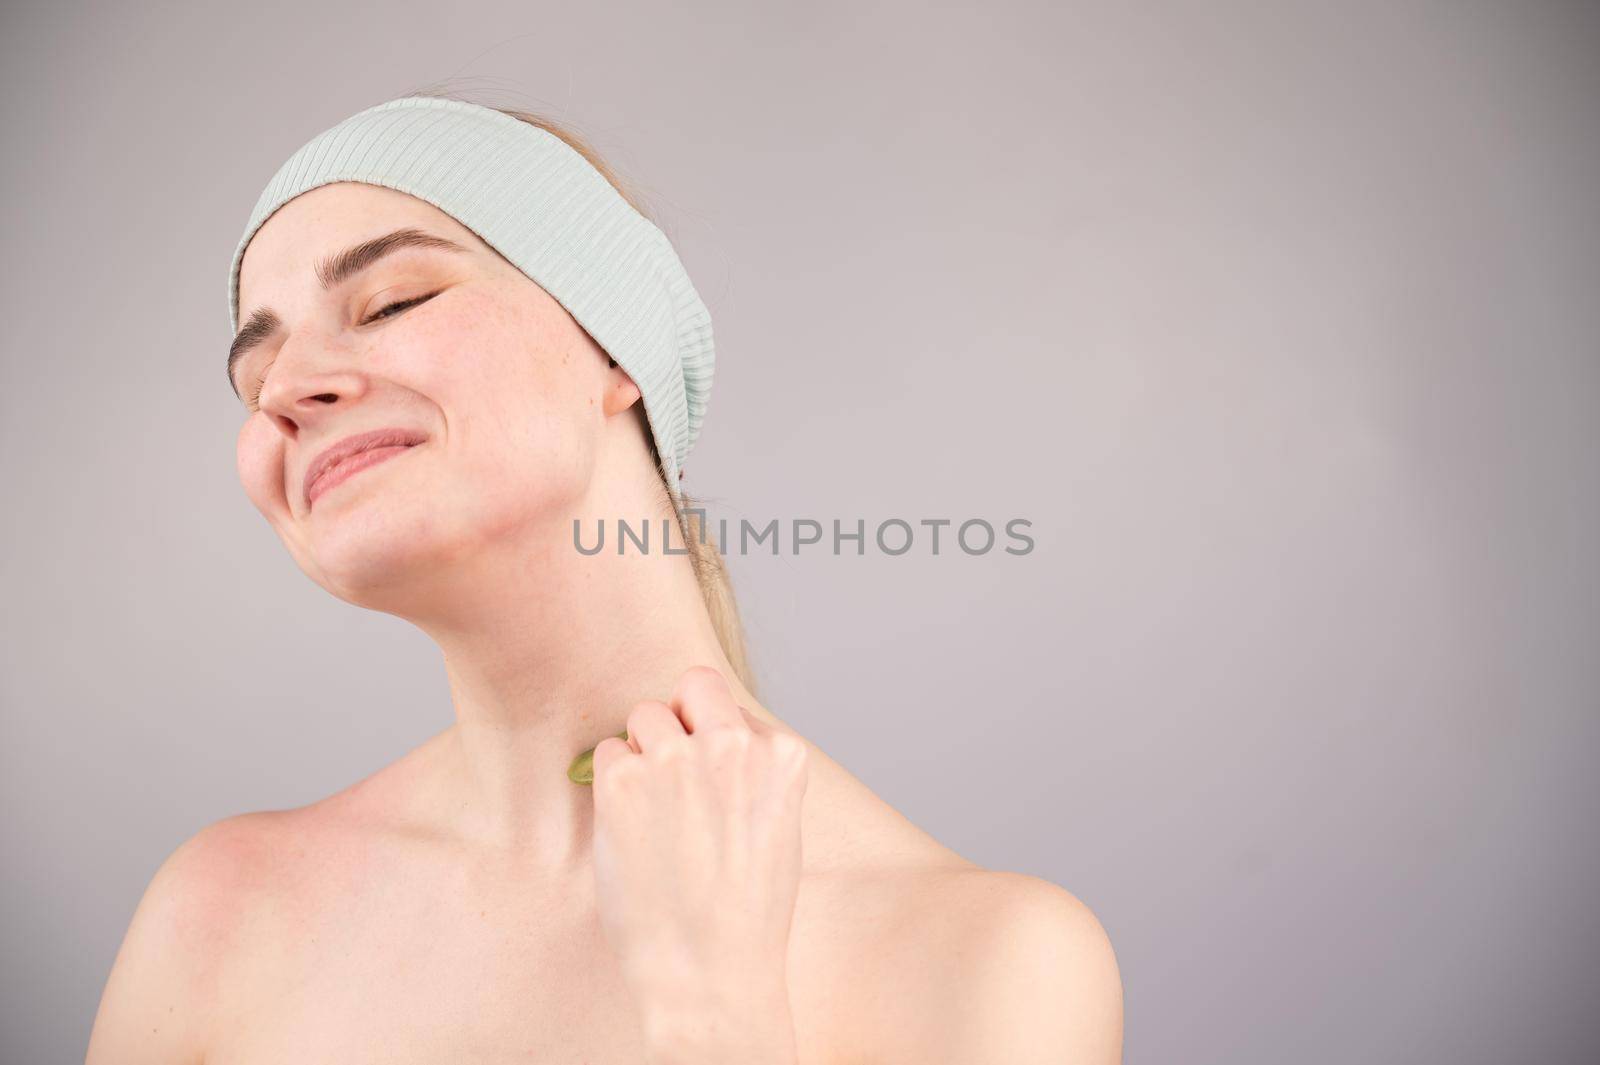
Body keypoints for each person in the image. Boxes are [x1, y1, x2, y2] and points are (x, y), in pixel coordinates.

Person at [85, 92, 1122, 1064]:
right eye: (254, 381)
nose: (290, 394)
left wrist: (714, 1008)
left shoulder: (993, 962)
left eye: (392, 299)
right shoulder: (220, 910)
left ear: (612, 344)